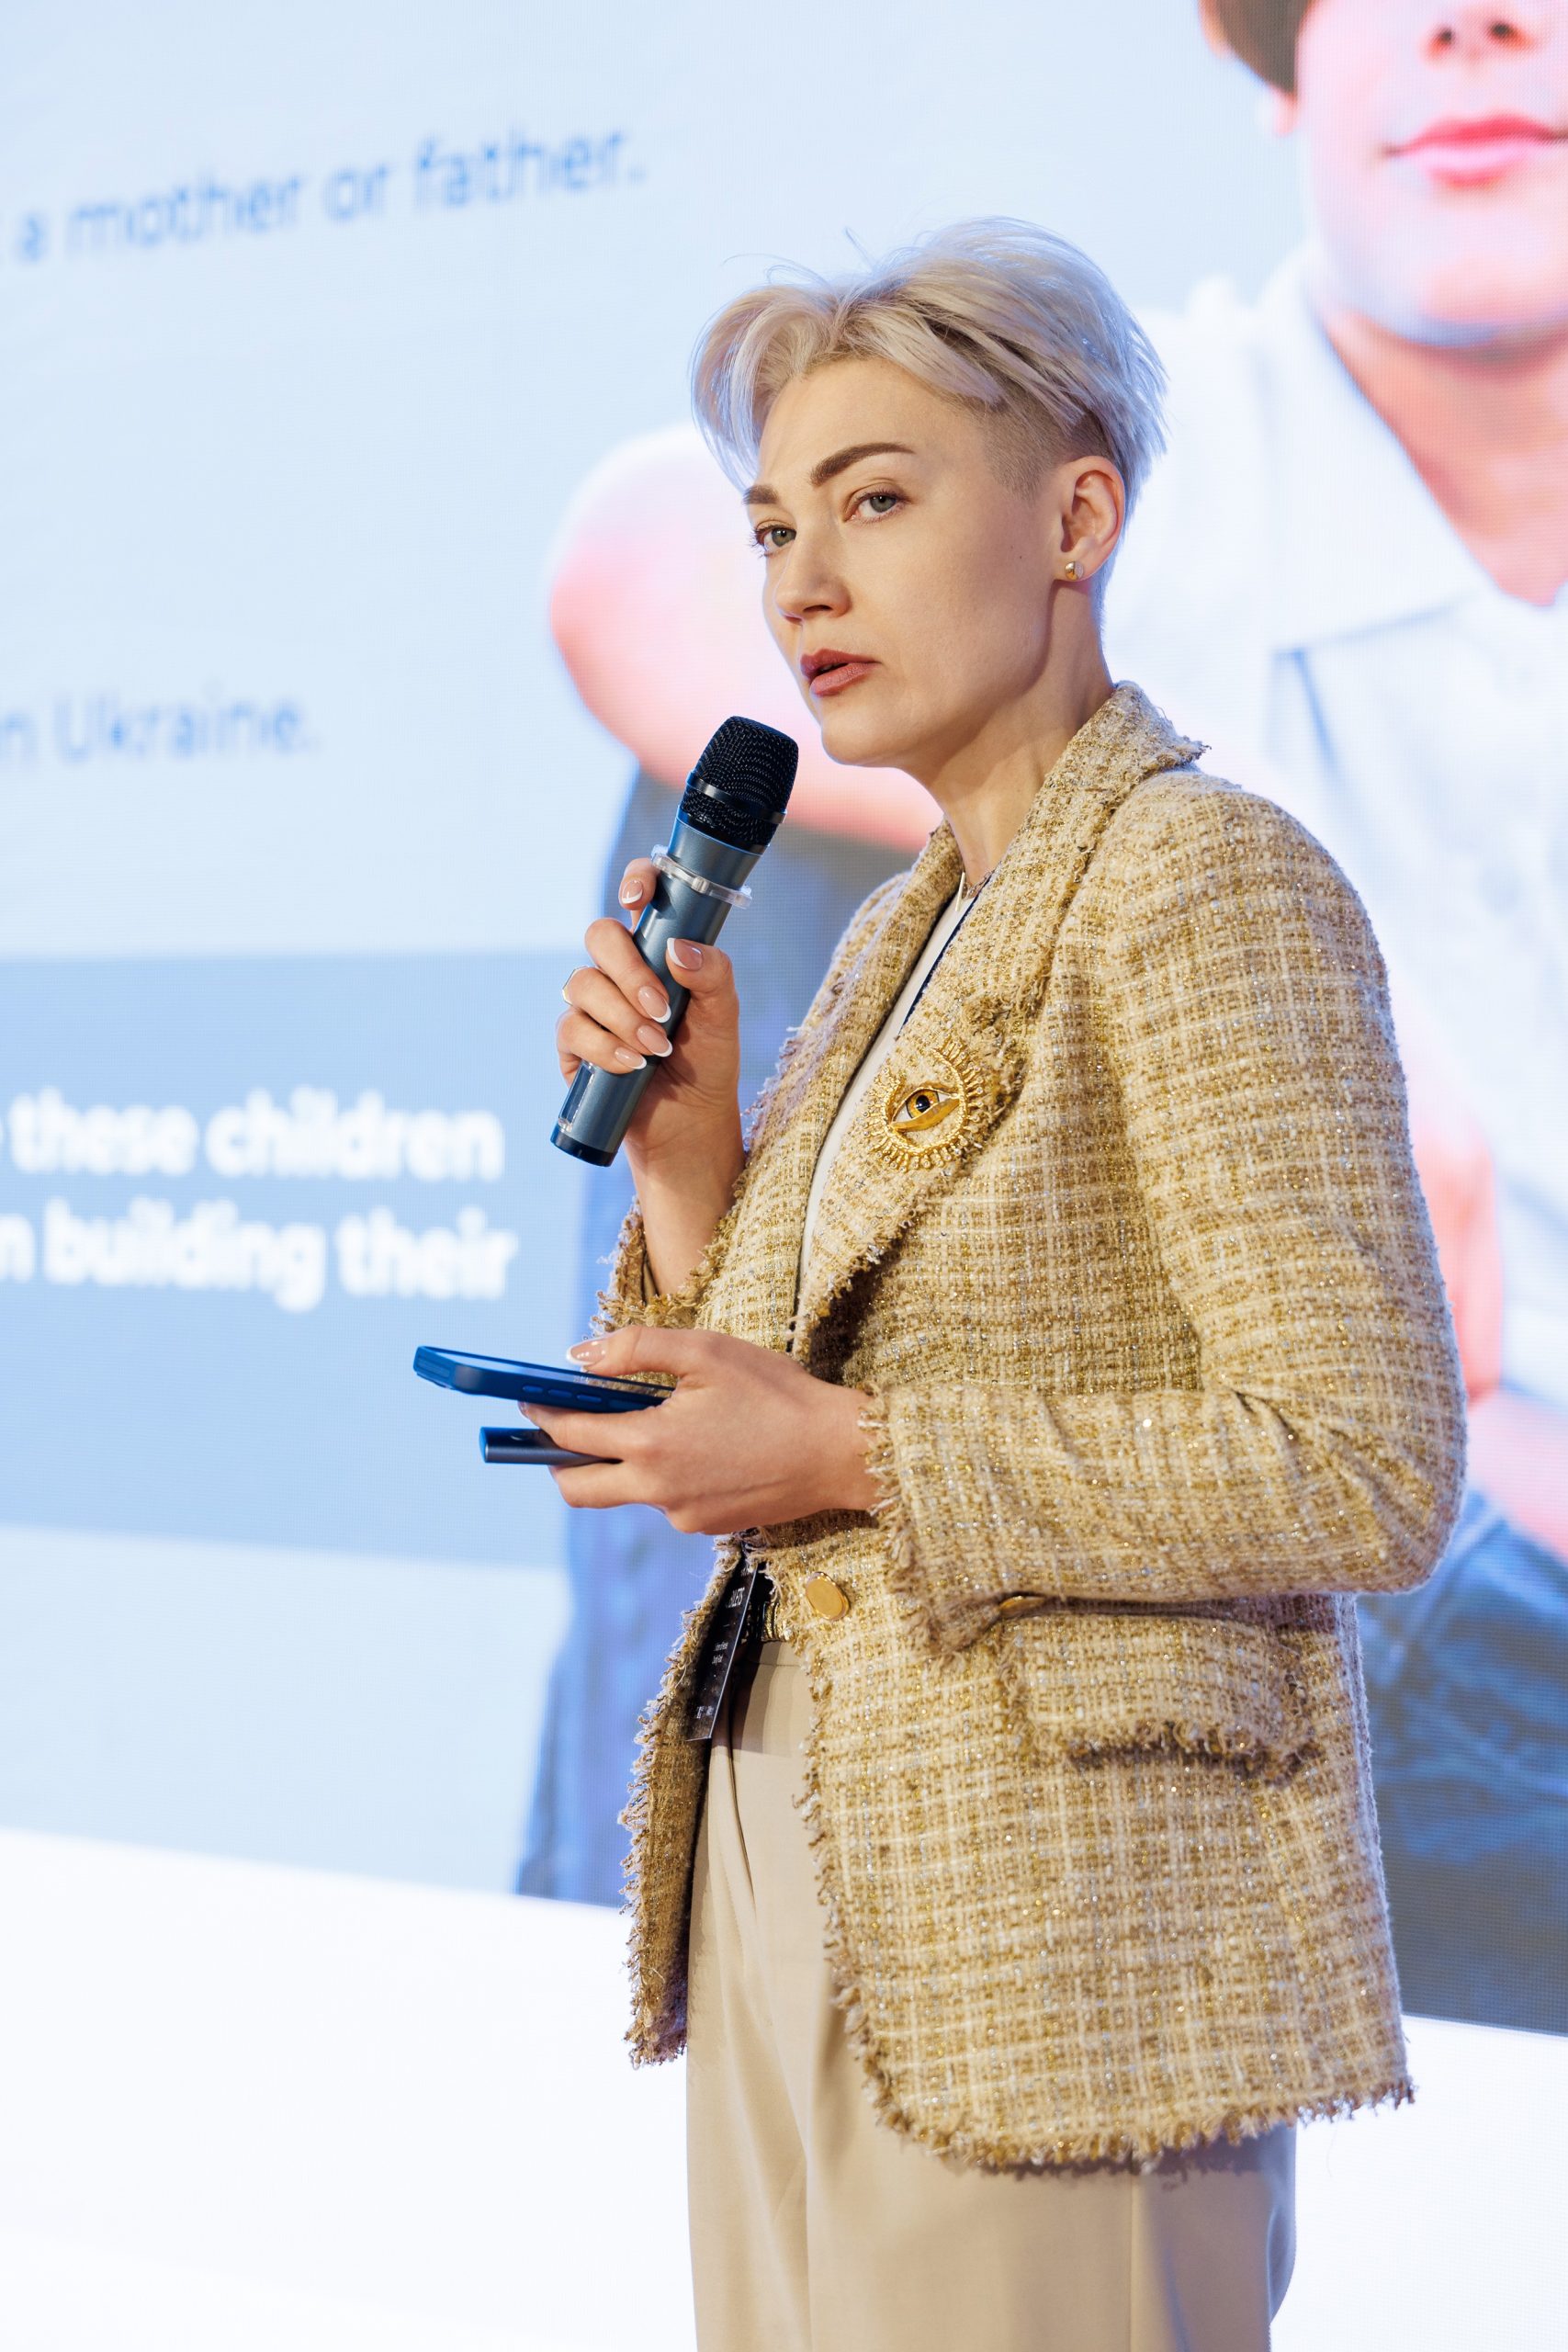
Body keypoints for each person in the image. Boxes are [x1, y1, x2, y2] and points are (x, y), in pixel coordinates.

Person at [534, 0, 1568, 2036]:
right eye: (785, 528)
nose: (1473, 19)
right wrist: (696, 1166)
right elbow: (631, 551)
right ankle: (744, 1866)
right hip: (1352, 1567)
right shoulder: (1160, 493)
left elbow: (1344, 1462)